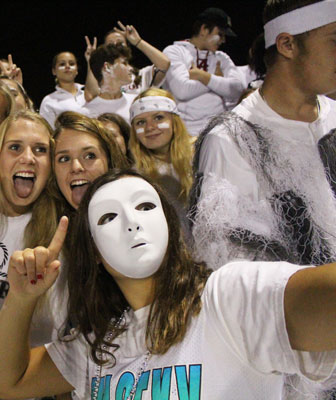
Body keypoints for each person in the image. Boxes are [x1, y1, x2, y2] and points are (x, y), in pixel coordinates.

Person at [0, 168, 336, 399]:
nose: (132, 224)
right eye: (108, 217)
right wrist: (22, 296)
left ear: (169, 225)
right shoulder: (95, 343)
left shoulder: (228, 298)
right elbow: (3, 382)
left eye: (145, 207)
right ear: (93, 252)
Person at [190, 0, 336, 270]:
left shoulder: (333, 115)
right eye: (334, 41)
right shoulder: (233, 140)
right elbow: (233, 272)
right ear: (287, 45)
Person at [0, 110, 61, 345]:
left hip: (16, 369)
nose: (28, 158)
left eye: (40, 150)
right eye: (15, 147)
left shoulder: (59, 231)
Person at [162, 7, 244, 135]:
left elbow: (237, 90)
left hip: (220, 131)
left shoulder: (221, 57)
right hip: (185, 134)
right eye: (220, 34)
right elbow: (182, 91)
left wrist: (203, 76)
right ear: (204, 29)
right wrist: (217, 81)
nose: (223, 40)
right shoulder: (175, 51)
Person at [129, 88, 195, 246]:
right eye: (141, 122)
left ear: (174, 121)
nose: (150, 127)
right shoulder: (137, 177)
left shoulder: (202, 153)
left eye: (158, 118)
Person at [52, 111, 129, 216]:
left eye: (90, 156)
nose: (76, 167)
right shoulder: (46, 229)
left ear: (110, 162)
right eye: (64, 159)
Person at [85, 22, 170, 102]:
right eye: (111, 44)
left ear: (127, 47)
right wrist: (93, 60)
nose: (116, 46)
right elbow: (90, 97)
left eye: (120, 43)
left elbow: (165, 64)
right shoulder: (101, 79)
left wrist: (138, 41)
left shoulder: (141, 75)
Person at [39, 51, 86, 127]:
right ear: (54, 71)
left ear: (77, 70)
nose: (67, 66)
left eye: (71, 64)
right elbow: (47, 131)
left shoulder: (88, 95)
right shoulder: (49, 101)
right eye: (62, 64)